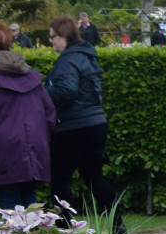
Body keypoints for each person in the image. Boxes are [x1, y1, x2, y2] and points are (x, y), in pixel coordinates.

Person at [0, 20, 56, 210]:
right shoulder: (30, 74)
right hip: (33, 144)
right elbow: (49, 112)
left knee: (9, 202)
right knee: (29, 199)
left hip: (1, 147)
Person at [46, 15, 117, 222]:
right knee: (94, 177)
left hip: (73, 126)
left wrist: (45, 92)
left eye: (52, 37)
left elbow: (66, 90)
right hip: (95, 123)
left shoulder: (67, 60)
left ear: (63, 36)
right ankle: (117, 224)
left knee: (60, 179)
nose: (51, 41)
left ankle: (64, 225)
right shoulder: (87, 56)